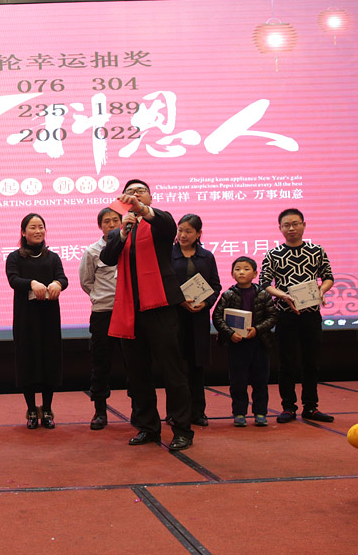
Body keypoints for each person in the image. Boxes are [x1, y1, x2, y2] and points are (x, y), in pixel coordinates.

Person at [100, 179, 194, 451]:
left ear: (150, 198)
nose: (135, 195)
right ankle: (148, 427)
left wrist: (141, 209)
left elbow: (165, 222)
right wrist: (122, 232)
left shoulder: (160, 223)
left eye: (140, 191)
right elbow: (107, 258)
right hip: (130, 308)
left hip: (160, 306)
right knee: (137, 373)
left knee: (172, 370)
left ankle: (182, 429)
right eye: (130, 192)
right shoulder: (120, 230)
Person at [259, 208, 335, 423]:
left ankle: (311, 407)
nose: (291, 228)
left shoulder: (316, 251)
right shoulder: (273, 254)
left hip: (311, 314)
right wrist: (282, 295)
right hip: (285, 315)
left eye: (295, 224)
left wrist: (321, 291)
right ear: (280, 228)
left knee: (311, 362)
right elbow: (264, 283)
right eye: (286, 225)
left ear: (303, 225)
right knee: (287, 362)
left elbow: (328, 277)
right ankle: (288, 407)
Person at [6, 213, 68, 429]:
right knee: (28, 361)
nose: (38, 231)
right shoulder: (15, 257)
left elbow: (63, 278)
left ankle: (48, 409)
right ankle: (31, 409)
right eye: (32, 227)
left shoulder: (53, 257)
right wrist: (32, 283)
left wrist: (58, 284)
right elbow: (13, 279)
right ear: (23, 232)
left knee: (50, 361)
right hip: (26, 318)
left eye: (41, 226)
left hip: (49, 317)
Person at [213, 257, 278, 427]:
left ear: (255, 274)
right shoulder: (227, 295)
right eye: (238, 269)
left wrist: (257, 329)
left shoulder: (263, 294)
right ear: (232, 274)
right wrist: (230, 333)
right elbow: (217, 317)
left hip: (259, 343)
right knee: (238, 381)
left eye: (246, 269)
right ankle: (239, 413)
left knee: (260, 380)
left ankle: (260, 412)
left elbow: (272, 317)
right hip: (237, 344)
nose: (241, 272)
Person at [170, 213, 221, 427]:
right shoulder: (168, 254)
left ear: (199, 233)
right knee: (175, 368)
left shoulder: (206, 257)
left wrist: (206, 303)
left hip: (199, 319)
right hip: (174, 318)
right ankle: (175, 413)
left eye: (188, 231)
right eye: (180, 230)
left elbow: (215, 285)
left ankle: (198, 412)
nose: (183, 235)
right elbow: (163, 284)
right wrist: (179, 300)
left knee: (197, 367)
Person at [79, 207, 123, 430]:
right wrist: (102, 297)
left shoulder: (130, 247)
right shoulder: (92, 251)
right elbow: (86, 282)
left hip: (128, 312)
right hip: (103, 312)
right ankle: (100, 411)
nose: (111, 224)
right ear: (100, 226)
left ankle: (139, 409)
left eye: (115, 220)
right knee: (101, 362)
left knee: (134, 363)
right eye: (107, 221)